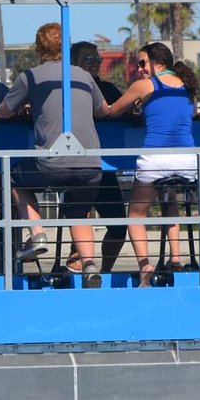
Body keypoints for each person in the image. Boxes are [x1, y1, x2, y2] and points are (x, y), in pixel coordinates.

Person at [0, 23, 106, 288]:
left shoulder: (30, 77)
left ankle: (37, 235)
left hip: (52, 163)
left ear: (38, 47)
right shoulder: (83, 75)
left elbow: (3, 112)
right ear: (65, 47)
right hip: (91, 166)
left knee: (14, 177)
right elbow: (102, 110)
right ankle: (89, 265)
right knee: (78, 212)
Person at [104, 42, 198, 287]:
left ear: (157, 63)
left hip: (156, 159)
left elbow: (112, 111)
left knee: (135, 214)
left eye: (143, 63)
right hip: (188, 161)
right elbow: (193, 112)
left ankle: (145, 266)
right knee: (170, 199)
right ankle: (175, 257)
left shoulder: (144, 86)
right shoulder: (187, 86)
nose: (140, 69)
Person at [69, 41, 127, 272]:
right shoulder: (67, 90)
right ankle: (78, 258)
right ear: (74, 63)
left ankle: (104, 271)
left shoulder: (110, 89)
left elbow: (126, 108)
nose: (94, 64)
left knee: (119, 227)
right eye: (88, 59)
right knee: (79, 214)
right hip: (76, 163)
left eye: (96, 59)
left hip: (105, 165)